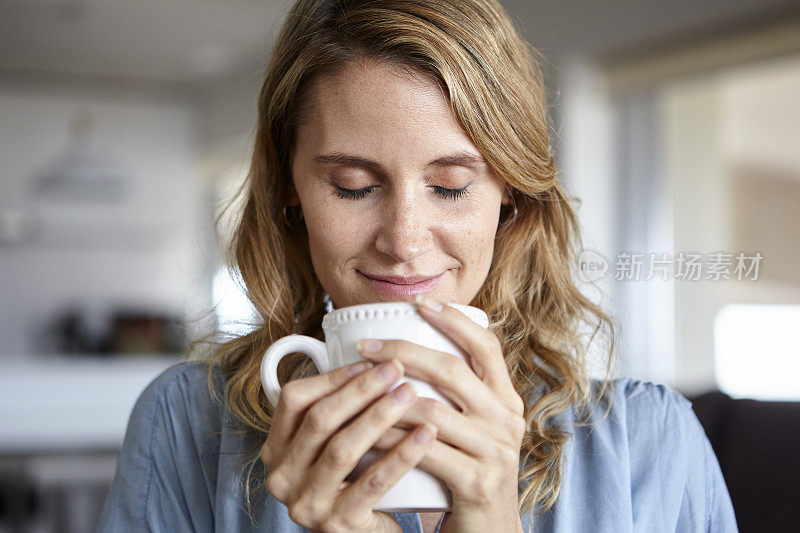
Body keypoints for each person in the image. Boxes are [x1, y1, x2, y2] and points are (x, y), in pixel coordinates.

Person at [98, 0, 738, 531]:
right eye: (352, 185)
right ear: (289, 184)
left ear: (510, 188)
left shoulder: (650, 448)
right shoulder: (184, 427)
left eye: (453, 185)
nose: (403, 242)